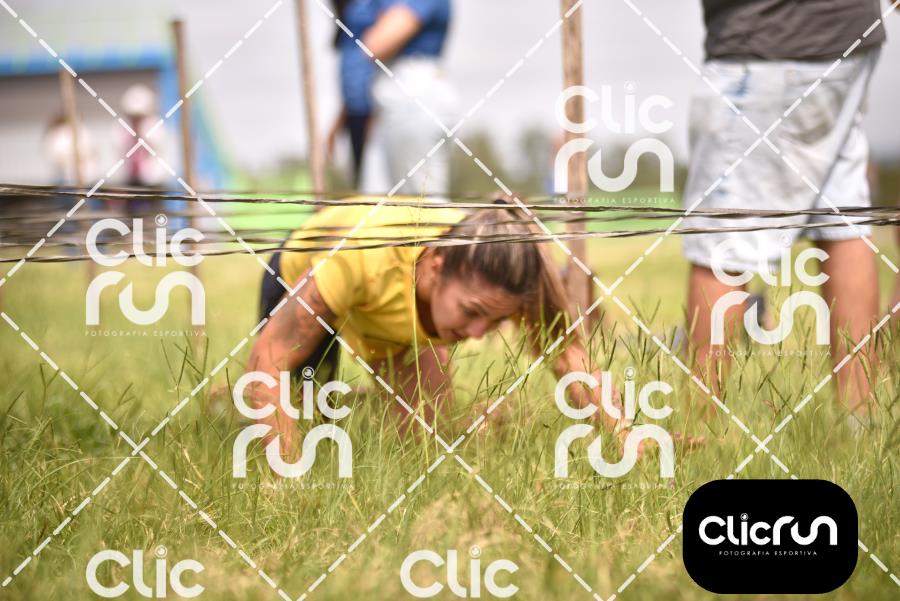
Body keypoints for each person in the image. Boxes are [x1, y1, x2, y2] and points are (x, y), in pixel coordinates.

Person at [244, 200, 617, 455]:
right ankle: (334, 402)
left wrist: (625, 438)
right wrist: (291, 481)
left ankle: (358, 403)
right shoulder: (360, 257)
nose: (477, 333)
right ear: (436, 267)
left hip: (388, 318)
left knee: (427, 445)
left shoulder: (492, 263)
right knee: (311, 421)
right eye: (471, 312)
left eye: (496, 321)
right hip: (303, 270)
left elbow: (565, 355)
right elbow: (266, 362)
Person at [683, 0, 885, 417]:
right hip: (848, 34)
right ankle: (861, 424)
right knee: (842, 217)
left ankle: (696, 431)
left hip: (768, 40)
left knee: (722, 240)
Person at [348, 0, 456, 196]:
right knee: (377, 199)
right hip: (394, 94)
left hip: (415, 95)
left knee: (420, 204)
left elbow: (376, 44)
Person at [327, 0, 377, 188]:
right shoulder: (348, 19)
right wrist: (339, 122)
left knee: (375, 182)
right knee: (362, 182)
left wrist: (377, 113)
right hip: (355, 112)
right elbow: (353, 82)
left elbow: (378, 66)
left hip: (375, 110)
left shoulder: (367, 12)